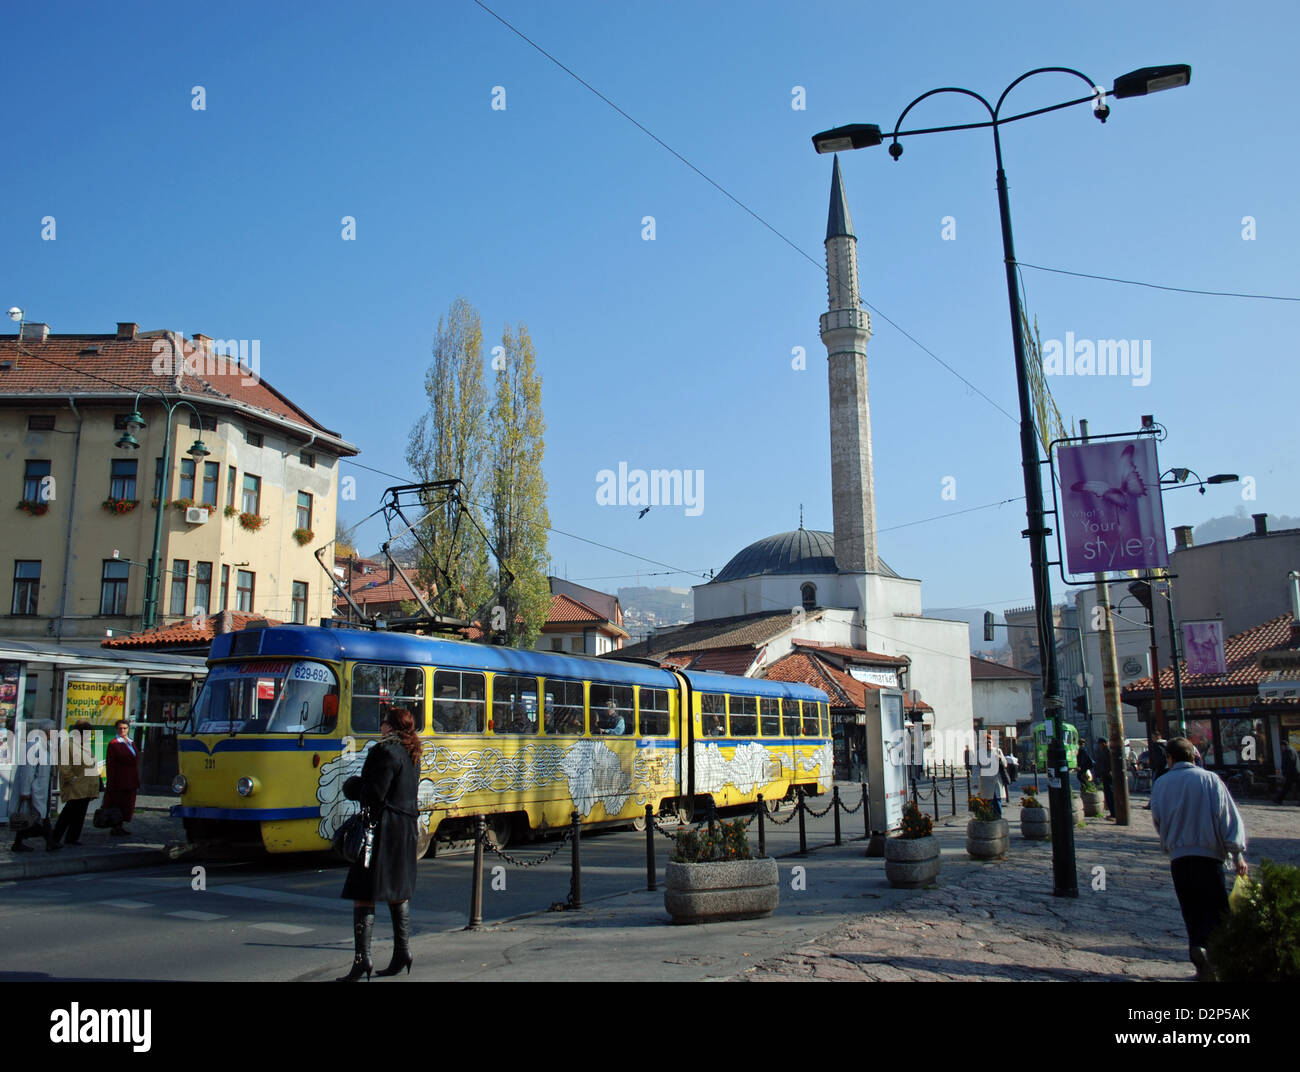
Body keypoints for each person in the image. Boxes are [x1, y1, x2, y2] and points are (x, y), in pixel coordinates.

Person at [1150, 737, 1248, 982]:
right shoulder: (1209, 780)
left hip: (1180, 857)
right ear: (1193, 756)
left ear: (1170, 758)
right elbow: (1227, 817)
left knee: (1191, 909)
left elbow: (1158, 819)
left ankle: (1198, 954)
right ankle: (1216, 958)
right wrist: (1236, 853)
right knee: (1215, 910)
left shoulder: (1161, 783)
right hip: (1209, 855)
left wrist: (1170, 841)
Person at [338, 704, 421, 981]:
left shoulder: (384, 751)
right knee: (397, 892)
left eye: (385, 722)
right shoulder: (412, 753)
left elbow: (375, 793)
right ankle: (402, 952)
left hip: (381, 832)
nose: (381, 726)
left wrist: (352, 786)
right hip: (405, 830)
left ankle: (362, 959)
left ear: (392, 727)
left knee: (363, 892)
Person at [10, 721, 58, 852]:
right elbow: (28, 770)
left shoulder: (45, 745)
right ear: (47, 731)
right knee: (36, 815)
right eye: (53, 730)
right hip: (33, 788)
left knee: (39, 814)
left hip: (41, 787)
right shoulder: (34, 745)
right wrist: (25, 790)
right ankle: (49, 841)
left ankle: (21, 842)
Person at [53, 720, 100, 847]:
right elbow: (64, 766)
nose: (89, 736)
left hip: (86, 785)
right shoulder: (68, 745)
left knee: (80, 813)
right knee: (68, 813)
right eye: (87, 733)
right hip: (76, 785)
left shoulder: (85, 745)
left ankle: (72, 837)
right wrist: (71, 779)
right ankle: (55, 838)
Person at [103, 719, 140, 836]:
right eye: (120, 728)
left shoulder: (131, 742)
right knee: (117, 804)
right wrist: (111, 782)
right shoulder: (114, 744)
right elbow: (110, 764)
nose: (122, 730)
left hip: (131, 779)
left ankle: (121, 825)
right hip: (120, 779)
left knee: (127, 804)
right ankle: (116, 826)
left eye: (125, 728)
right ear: (116, 729)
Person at [1096, 737, 1116, 819]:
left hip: (1107, 776)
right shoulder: (1104, 751)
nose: (1099, 746)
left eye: (1099, 744)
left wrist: (1106, 773)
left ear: (1103, 743)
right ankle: (1112, 812)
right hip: (1105, 775)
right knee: (1108, 795)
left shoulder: (1107, 751)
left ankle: (1114, 813)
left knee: (1110, 794)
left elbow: (1107, 764)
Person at [1276, 734, 1299, 805]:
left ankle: (1279, 799)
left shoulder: (1288, 751)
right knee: (1288, 786)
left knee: (1286, 787)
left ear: (1283, 745)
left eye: (1281, 746)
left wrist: (1286, 773)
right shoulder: (1292, 750)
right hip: (1296, 771)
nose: (1281, 748)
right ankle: (1279, 799)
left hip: (1292, 773)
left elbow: (1290, 762)